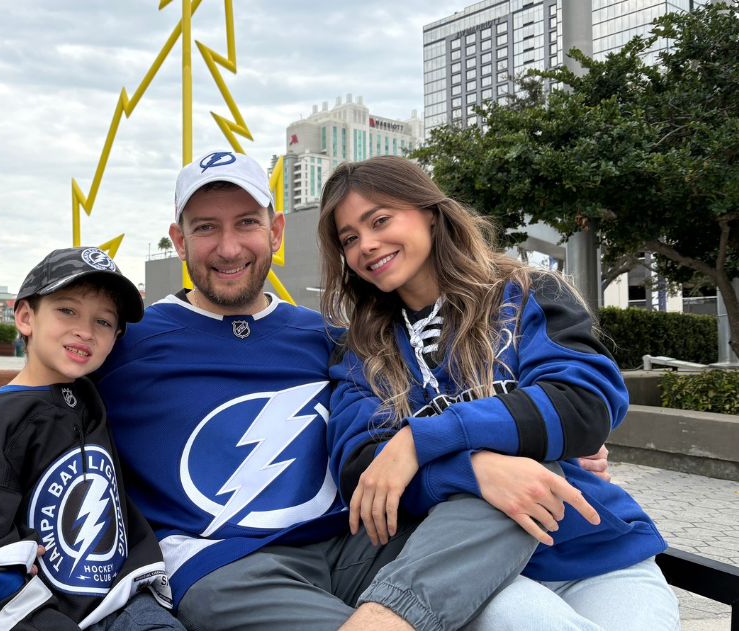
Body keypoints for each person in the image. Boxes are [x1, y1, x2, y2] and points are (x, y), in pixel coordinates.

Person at [96, 151, 560, 631]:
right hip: (227, 565)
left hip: (360, 539)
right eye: (206, 227)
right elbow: (39, 408)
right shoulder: (126, 343)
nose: (229, 248)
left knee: (506, 486)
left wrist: (521, 446)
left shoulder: (335, 337)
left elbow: (431, 403)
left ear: (275, 232)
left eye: (247, 224)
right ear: (179, 240)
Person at [317, 156, 678, 630]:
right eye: (349, 238)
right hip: (480, 570)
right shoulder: (360, 349)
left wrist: (420, 440)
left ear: (430, 210)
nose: (367, 244)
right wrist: (476, 470)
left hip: (599, 550)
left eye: (380, 220)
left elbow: (585, 403)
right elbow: (363, 469)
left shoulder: (525, 292)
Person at [0, 247, 183, 631]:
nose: (85, 330)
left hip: (125, 604)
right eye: (67, 310)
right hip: (39, 614)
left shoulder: (92, 400)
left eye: (103, 321)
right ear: (25, 316)